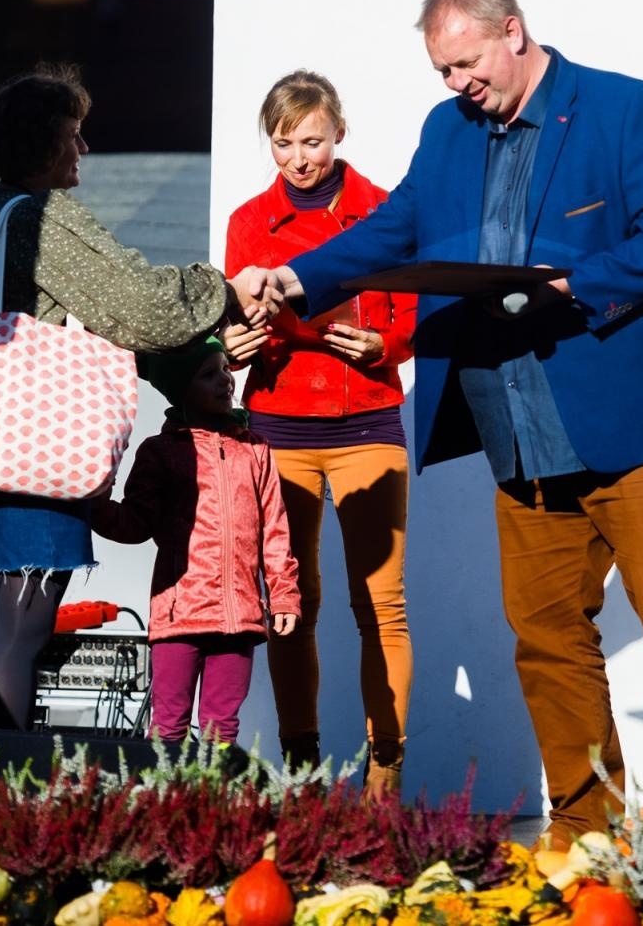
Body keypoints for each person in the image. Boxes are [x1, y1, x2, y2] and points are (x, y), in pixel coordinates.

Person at [242, 0, 643, 847]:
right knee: (548, 637)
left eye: (464, 63)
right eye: (442, 70)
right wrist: (300, 279)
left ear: (513, 32)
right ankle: (586, 831)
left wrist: (575, 286)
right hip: (518, 435)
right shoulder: (447, 133)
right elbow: (396, 227)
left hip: (635, 430)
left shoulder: (625, 109)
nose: (456, 84)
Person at [0, 63, 274, 731]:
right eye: (74, 135)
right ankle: (4, 787)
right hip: (43, 442)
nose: (84, 149)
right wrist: (222, 292)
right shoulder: (42, 218)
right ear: (45, 143)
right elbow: (137, 306)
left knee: (15, 616)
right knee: (26, 625)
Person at [221, 70, 417, 795]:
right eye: (283, 143)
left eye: (312, 140)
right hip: (278, 422)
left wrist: (386, 348)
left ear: (339, 133)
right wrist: (237, 343)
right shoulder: (248, 220)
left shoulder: (384, 211)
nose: (300, 158)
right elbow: (236, 314)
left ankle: (383, 780)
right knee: (290, 605)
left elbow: (409, 314)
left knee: (381, 605)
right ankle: (301, 774)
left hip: (367, 418)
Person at [90, 336, 301, 747]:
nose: (225, 380)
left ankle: (213, 810)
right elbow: (134, 524)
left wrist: (285, 594)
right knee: (168, 725)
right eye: (209, 374)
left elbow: (275, 528)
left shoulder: (255, 450)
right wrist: (95, 501)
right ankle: (165, 809)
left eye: (225, 369)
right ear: (181, 388)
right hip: (178, 617)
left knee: (222, 729)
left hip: (239, 618)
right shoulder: (160, 453)